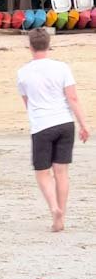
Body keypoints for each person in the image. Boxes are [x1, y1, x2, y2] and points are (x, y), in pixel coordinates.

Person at [17, 27, 89, 232]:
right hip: (65, 123)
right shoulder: (62, 68)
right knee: (62, 172)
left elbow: (27, 102)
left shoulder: (23, 72)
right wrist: (84, 124)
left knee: (42, 173)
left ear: (30, 46)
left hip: (41, 125)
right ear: (49, 45)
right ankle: (61, 217)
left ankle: (53, 208)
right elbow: (72, 98)